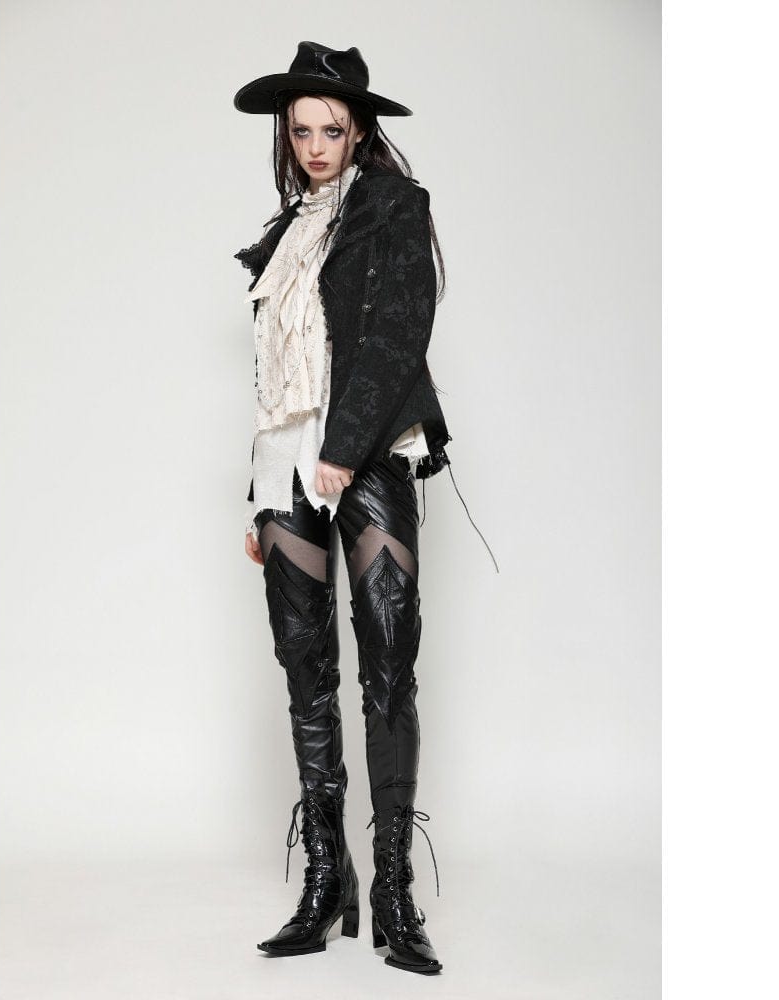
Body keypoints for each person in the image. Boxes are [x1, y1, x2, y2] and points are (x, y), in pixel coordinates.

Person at [233, 41, 487, 976]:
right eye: (300, 130)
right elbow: (274, 380)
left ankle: (392, 890)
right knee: (304, 669)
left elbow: (397, 334)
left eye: (330, 129)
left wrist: (341, 451)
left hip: (368, 452)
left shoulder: (392, 206)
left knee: (388, 663)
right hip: (285, 470)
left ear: (359, 130)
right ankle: (325, 881)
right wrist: (259, 496)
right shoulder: (286, 231)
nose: (314, 145)